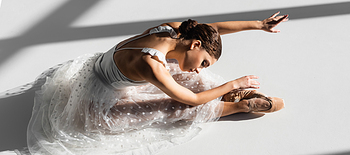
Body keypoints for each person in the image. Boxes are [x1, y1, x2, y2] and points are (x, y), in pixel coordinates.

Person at [23, 12, 288, 154]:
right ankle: (239, 106)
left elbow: (214, 28)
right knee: (171, 106)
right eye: (204, 60)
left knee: (188, 74)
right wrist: (232, 84)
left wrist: (259, 24)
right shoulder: (150, 65)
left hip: (109, 69)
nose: (199, 66)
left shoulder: (175, 29)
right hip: (99, 106)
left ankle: (225, 95)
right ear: (195, 44)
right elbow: (189, 99)